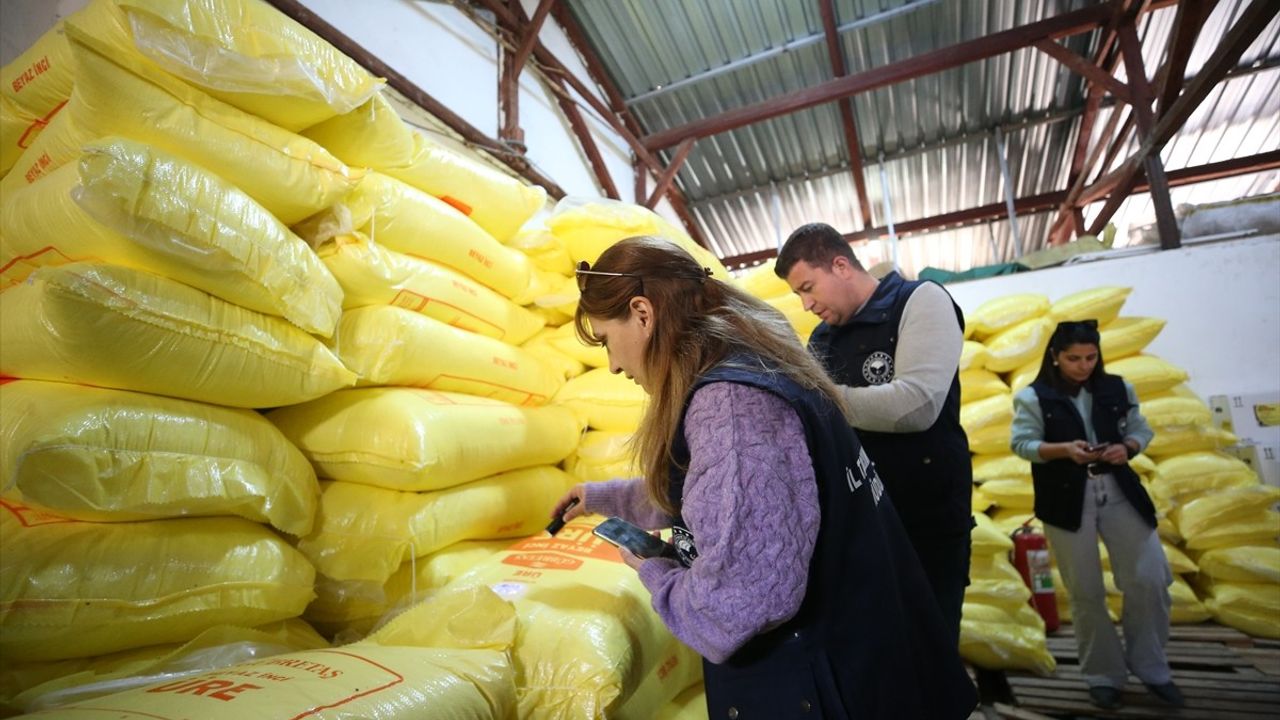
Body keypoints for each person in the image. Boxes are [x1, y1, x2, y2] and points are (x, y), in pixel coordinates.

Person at [550, 236, 976, 719]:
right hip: (863, 659)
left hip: (825, 684)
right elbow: (712, 487)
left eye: (608, 341)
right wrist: (601, 497)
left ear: (643, 314)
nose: (613, 365)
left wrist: (657, 572)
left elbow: (733, 607)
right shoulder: (750, 367)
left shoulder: (730, 407)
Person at [774, 222, 973, 642]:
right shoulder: (822, 338)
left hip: (925, 518)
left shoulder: (921, 301)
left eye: (809, 287)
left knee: (929, 642)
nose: (807, 304)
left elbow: (914, 406)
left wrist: (821, 401)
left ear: (841, 265)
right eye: (798, 295)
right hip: (861, 524)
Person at [1010, 319, 1182, 710]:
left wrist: (1129, 446)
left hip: (1120, 491)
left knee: (1150, 577)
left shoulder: (1118, 388)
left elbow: (1140, 428)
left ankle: (1152, 668)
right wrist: (1064, 450)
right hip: (1066, 498)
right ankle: (1103, 675)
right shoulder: (1034, 397)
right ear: (1055, 357)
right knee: (1086, 592)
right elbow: (1022, 444)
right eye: (1074, 358)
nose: (1084, 365)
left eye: (1091, 357)